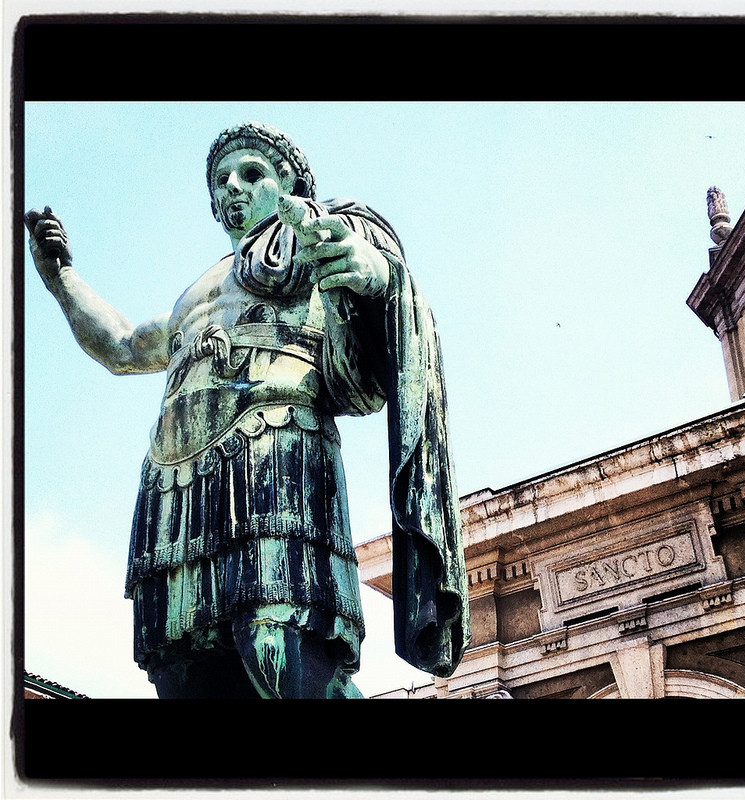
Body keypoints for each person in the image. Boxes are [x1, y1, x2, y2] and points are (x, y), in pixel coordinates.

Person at [26, 121, 469, 699]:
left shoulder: (315, 236)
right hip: (175, 481)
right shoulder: (196, 294)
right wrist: (60, 279)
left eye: (252, 172)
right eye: (222, 180)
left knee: (278, 648)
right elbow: (123, 346)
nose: (233, 186)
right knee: (182, 674)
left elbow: (374, 275)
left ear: (290, 184)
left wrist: (372, 271)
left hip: (275, 452)